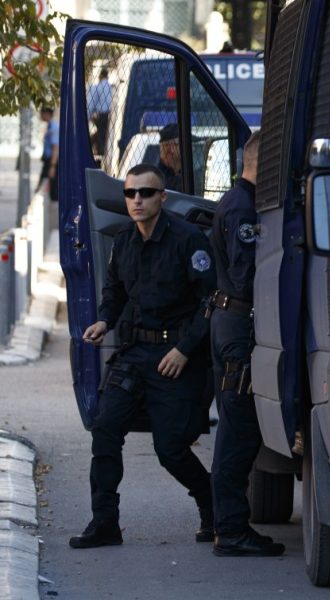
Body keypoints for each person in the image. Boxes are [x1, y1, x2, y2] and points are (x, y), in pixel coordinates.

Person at [69, 163, 216, 549]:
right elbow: (115, 291)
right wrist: (105, 320)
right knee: (105, 428)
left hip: (174, 357)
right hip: (134, 354)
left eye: (146, 193)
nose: (137, 200)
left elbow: (210, 303)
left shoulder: (188, 240)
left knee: (170, 449)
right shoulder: (124, 241)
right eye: (130, 193)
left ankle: (212, 505)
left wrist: (184, 350)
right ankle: (105, 523)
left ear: (162, 198)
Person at [207, 132, 284, 557]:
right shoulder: (242, 208)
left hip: (230, 323)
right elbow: (246, 274)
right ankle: (231, 528)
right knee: (237, 431)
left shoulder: (239, 201)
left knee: (236, 426)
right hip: (239, 327)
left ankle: (227, 524)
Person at [87, 67, 112, 156]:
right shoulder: (111, 87)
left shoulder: (97, 87)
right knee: (105, 134)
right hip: (110, 114)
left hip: (100, 114)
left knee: (100, 134)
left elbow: (91, 103)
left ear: (100, 76)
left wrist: (88, 116)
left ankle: (99, 152)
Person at [37, 107, 59, 202]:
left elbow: (55, 148)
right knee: (44, 182)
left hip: (52, 161)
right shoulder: (49, 126)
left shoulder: (53, 128)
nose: (40, 115)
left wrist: (52, 166)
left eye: (42, 113)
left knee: (52, 186)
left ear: (47, 114)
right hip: (48, 160)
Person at [158, 123, 183, 192]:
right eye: (166, 145)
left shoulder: (193, 170)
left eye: (175, 144)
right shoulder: (156, 175)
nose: (171, 150)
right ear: (160, 147)